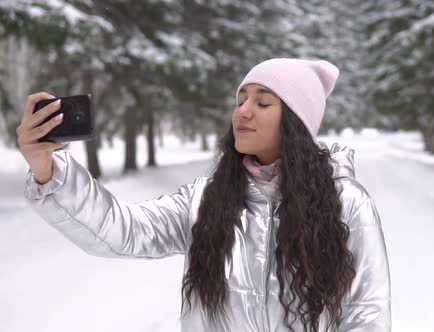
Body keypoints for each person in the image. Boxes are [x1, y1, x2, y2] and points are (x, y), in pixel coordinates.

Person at [18, 58, 391, 332]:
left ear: (296, 123)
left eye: (262, 103)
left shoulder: (346, 204)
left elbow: (367, 314)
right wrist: (48, 169)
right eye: (240, 99)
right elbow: (122, 231)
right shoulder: (207, 200)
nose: (242, 111)